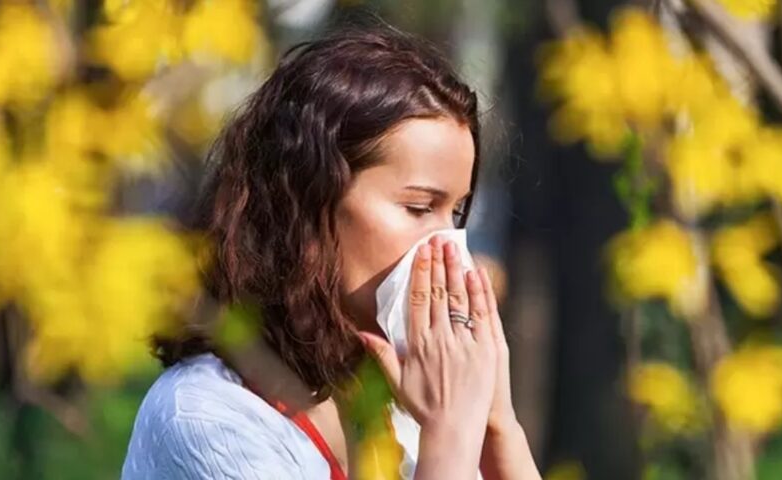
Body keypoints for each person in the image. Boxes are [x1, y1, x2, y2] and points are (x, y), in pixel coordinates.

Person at [121, 24, 540, 480]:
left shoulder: (407, 401)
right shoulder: (205, 419)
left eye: (456, 214)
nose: (450, 251)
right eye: (420, 207)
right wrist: (450, 435)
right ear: (308, 200)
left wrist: (498, 428)